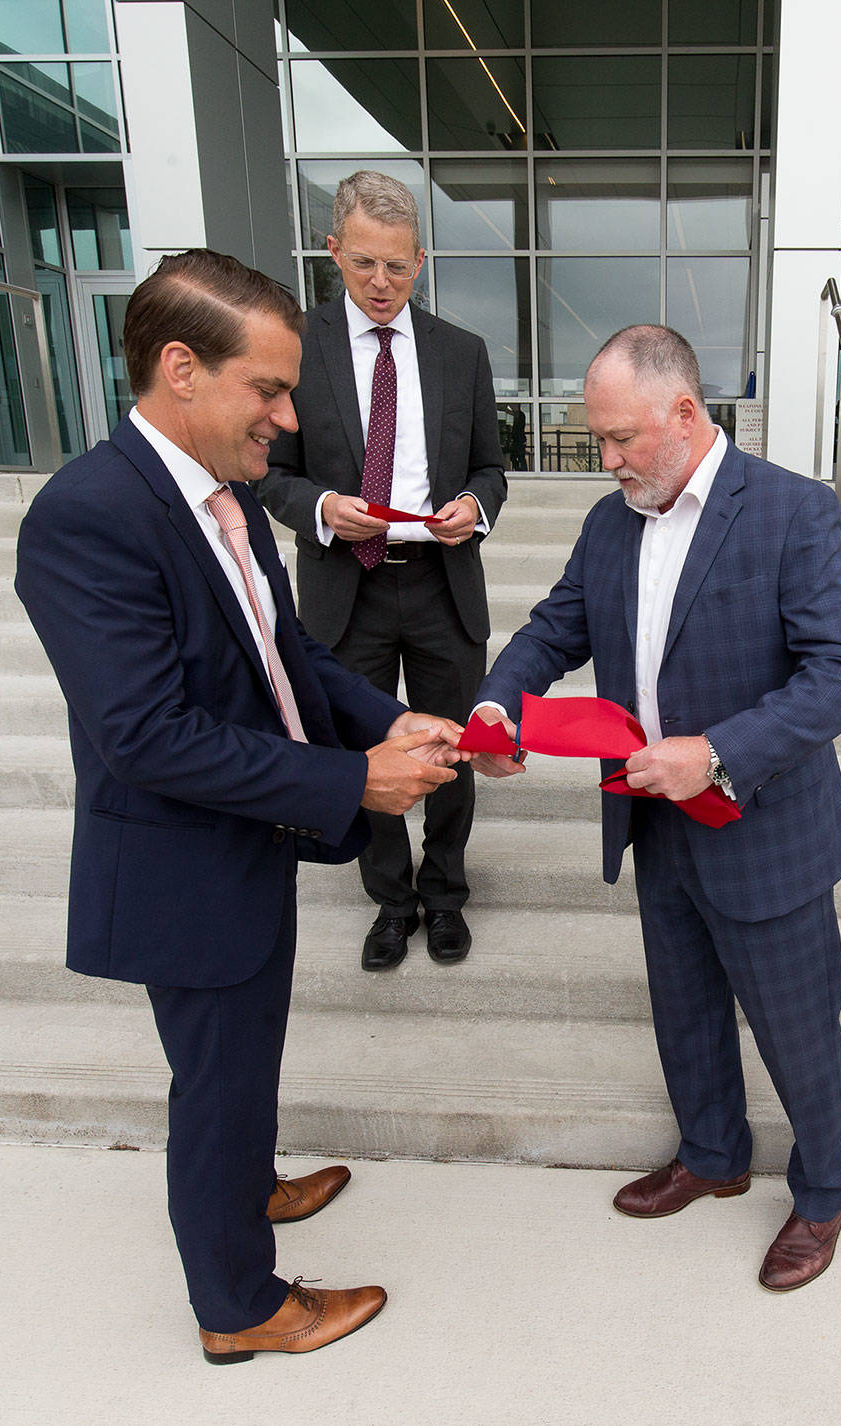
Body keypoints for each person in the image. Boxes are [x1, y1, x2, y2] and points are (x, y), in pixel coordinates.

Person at [14, 249, 466, 1362]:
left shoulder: (221, 495)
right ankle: (239, 1306)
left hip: (246, 836)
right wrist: (353, 782)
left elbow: (287, 652)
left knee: (241, 1057)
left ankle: (244, 1189)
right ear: (179, 367)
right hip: (181, 860)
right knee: (215, 1078)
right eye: (266, 388)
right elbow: (147, 735)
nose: (285, 414)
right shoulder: (89, 514)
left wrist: (383, 721)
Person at [471, 326, 841, 1292]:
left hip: (762, 827)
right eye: (598, 442)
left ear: (685, 414)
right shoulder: (613, 521)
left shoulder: (790, 511)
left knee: (796, 1026)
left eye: (620, 440)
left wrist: (719, 753)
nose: (606, 462)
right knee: (685, 1007)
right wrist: (497, 702)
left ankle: (826, 1194)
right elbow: (554, 627)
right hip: (654, 819)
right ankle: (713, 1155)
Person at [258, 170, 509, 973]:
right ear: (334, 251)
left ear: (421, 262)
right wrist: (325, 508)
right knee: (364, 753)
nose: (380, 283)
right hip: (345, 587)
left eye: (398, 267)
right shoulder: (296, 348)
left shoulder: (461, 353)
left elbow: (491, 470)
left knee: (451, 747)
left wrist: (473, 505)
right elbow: (268, 472)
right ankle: (391, 903)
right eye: (364, 263)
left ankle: (444, 895)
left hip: (440, 582)